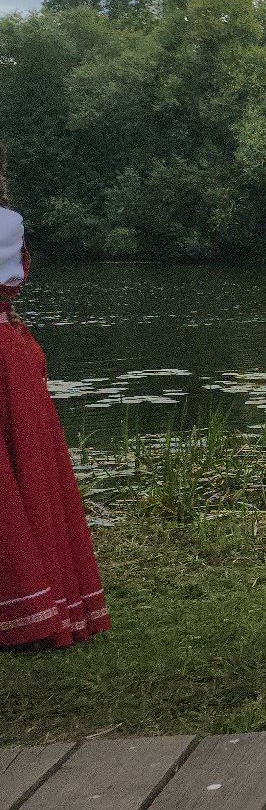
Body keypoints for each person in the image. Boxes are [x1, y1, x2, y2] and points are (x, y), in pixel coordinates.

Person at [0, 157, 110, 648]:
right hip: (10, 355)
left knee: (19, 477)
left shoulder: (6, 223)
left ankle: (28, 606)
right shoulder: (9, 222)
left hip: (7, 360)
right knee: (23, 475)